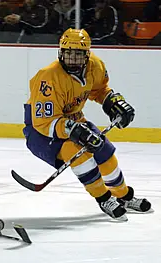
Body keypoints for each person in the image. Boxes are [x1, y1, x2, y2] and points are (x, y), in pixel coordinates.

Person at [23, 28, 152, 221]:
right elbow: (43, 122)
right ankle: (104, 198)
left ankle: (123, 195)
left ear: (87, 54)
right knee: (75, 151)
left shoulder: (95, 66)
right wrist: (73, 131)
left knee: (104, 150)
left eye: (78, 53)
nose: (72, 58)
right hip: (42, 131)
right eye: (68, 53)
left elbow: (99, 90)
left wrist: (113, 102)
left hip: (75, 119)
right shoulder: (47, 77)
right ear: (61, 52)